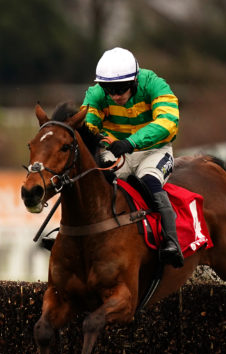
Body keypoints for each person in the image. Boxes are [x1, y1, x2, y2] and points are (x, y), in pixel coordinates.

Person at [82, 47, 183, 268]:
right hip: (117, 151)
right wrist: (98, 138)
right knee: (91, 180)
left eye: (121, 89)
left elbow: (168, 122)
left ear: (135, 80)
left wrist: (132, 142)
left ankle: (172, 242)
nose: (115, 96)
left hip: (154, 151)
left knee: (149, 181)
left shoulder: (155, 85)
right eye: (110, 90)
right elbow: (87, 123)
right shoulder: (97, 93)